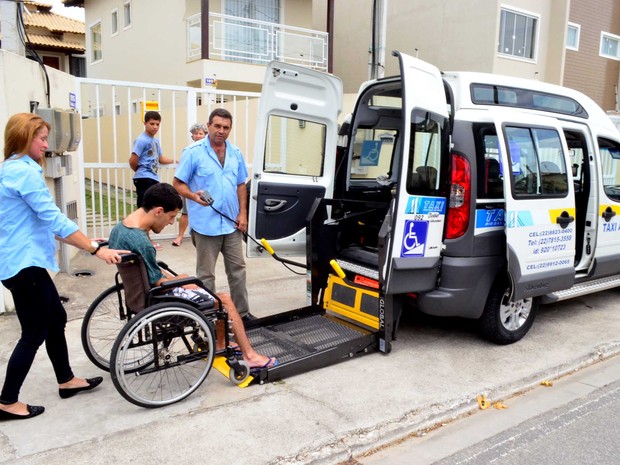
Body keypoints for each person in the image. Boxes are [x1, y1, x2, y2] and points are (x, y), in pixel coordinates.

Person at [0, 113, 130, 421]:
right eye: (41, 138)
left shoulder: (11, 170)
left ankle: (66, 380)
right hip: (24, 264)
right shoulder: (24, 173)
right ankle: (6, 401)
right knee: (33, 332)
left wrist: (86, 240)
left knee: (55, 318)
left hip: (20, 263)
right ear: (23, 138)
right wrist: (95, 249)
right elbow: (54, 218)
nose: (46, 145)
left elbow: (51, 226)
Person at [108, 182, 276, 369]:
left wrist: (178, 279)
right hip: (156, 300)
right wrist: (181, 281)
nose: (171, 222)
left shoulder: (120, 229)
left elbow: (149, 270)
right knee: (224, 300)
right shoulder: (141, 241)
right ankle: (250, 355)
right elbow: (158, 281)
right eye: (171, 217)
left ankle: (220, 343)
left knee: (192, 283)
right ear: (158, 211)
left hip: (136, 297)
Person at [173, 108, 253, 320]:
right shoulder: (193, 152)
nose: (221, 131)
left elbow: (241, 186)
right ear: (208, 126)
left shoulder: (235, 153)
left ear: (230, 129)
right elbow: (178, 183)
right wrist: (192, 196)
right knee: (206, 275)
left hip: (231, 224)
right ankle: (209, 316)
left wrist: (243, 214)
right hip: (205, 225)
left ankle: (242, 315)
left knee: (237, 270)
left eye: (226, 127)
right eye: (217, 126)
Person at [129, 110, 174, 250]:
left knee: (153, 210)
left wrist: (176, 161)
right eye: (152, 124)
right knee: (145, 210)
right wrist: (141, 172)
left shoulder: (155, 141)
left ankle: (146, 239)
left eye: (157, 124)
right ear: (145, 123)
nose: (155, 127)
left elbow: (160, 158)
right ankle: (145, 241)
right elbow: (133, 160)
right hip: (144, 179)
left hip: (153, 178)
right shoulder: (142, 140)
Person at [172, 123, 207, 247]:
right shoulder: (189, 150)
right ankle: (180, 236)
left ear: (205, 134)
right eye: (196, 133)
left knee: (208, 208)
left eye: (200, 133)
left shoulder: (210, 150)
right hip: (190, 187)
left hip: (205, 187)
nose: (198, 136)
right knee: (186, 212)